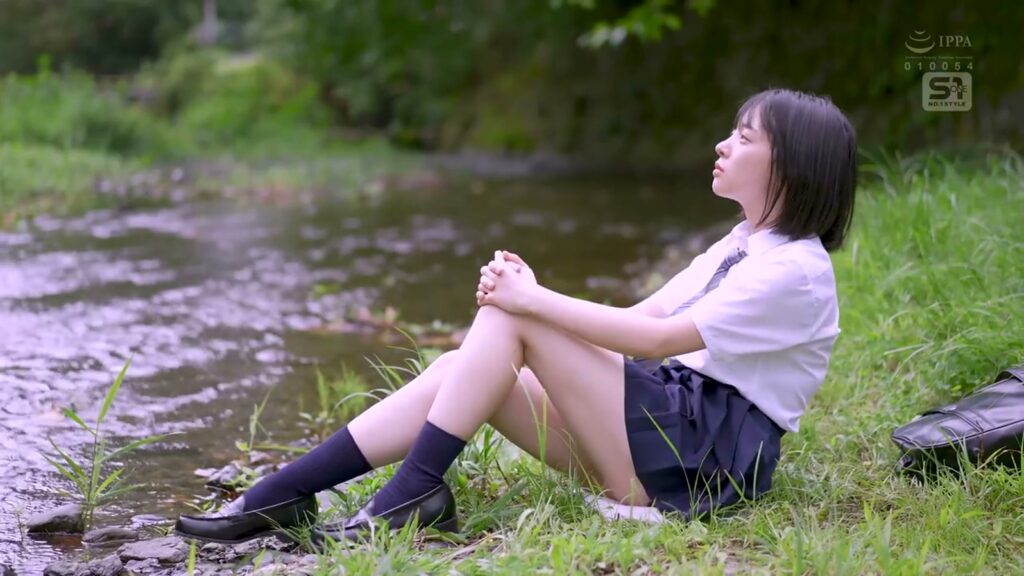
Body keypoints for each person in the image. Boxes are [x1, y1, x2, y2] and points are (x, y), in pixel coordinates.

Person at [175, 87, 857, 544]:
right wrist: (534, 297)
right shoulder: (742, 244)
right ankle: (286, 493)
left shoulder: (794, 271)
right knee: (461, 366)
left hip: (699, 463)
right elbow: (638, 315)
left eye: (743, 139)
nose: (722, 146)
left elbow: (656, 339)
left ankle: (411, 493)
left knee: (512, 321)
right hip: (663, 434)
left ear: (791, 167)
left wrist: (532, 302)